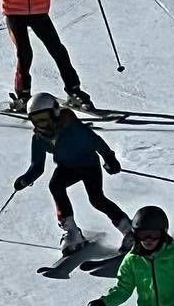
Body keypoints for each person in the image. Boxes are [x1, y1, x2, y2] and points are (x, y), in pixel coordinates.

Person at [13, 93, 133, 254]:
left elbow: (95, 141)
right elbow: (37, 166)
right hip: (67, 167)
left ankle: (128, 229)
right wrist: (26, 179)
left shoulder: (73, 128)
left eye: (45, 118)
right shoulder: (39, 139)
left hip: (88, 165)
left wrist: (109, 158)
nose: (42, 124)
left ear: (55, 112)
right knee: (55, 185)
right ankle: (72, 232)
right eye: (37, 120)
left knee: (97, 199)